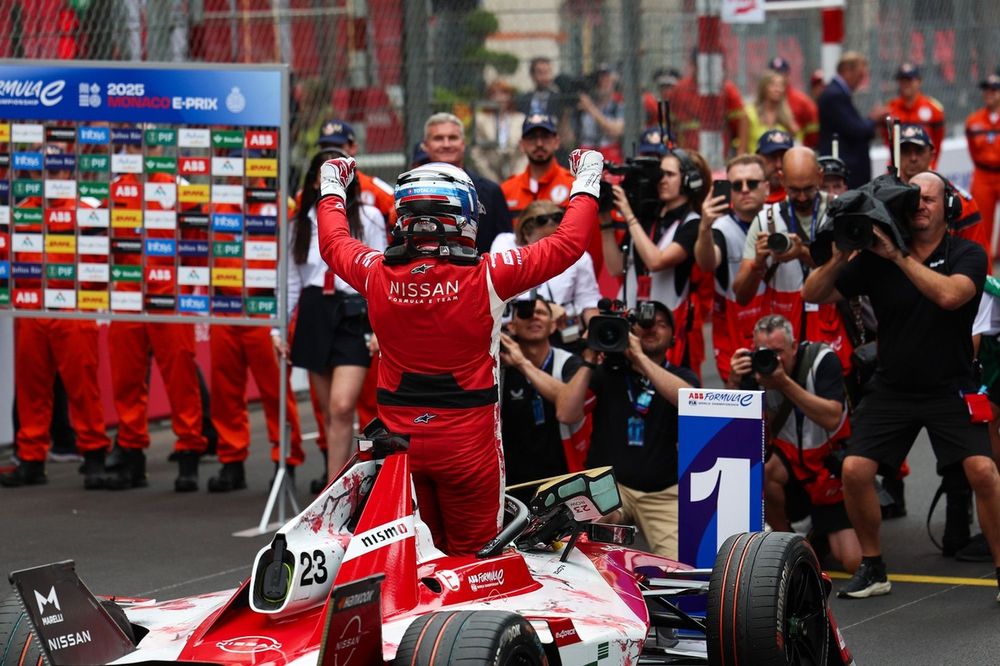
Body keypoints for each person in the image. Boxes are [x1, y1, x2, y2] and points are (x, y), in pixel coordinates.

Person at [316, 149, 603, 555]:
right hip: (469, 445)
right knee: (475, 562)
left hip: (399, 445)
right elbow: (569, 243)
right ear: (464, 215)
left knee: (413, 560)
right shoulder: (489, 274)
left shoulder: (373, 271)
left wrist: (331, 184)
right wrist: (587, 178)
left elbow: (332, 242)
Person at [802, 171, 1000, 601]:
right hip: (893, 387)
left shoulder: (968, 252)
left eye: (930, 199)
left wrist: (898, 257)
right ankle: (874, 568)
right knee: (855, 470)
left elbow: (949, 296)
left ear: (947, 207)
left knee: (983, 471)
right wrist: (842, 254)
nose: (921, 206)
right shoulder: (876, 259)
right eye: (914, 200)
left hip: (951, 385)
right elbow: (811, 292)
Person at [556, 300, 698, 559]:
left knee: (682, 568)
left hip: (662, 493)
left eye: (661, 324)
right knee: (579, 541)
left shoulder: (682, 376)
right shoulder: (606, 373)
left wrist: (639, 358)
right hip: (611, 485)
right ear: (630, 331)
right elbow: (566, 413)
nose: (651, 328)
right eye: (643, 324)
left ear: (673, 338)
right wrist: (588, 358)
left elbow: (691, 402)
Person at [281, 149, 386, 484]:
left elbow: (380, 274)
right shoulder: (299, 221)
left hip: (352, 312)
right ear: (315, 180)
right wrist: (279, 329)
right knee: (329, 413)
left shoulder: (368, 216)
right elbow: (292, 280)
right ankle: (334, 488)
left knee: (343, 406)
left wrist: (379, 325)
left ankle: (337, 488)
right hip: (314, 311)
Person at [727, 314, 861, 574]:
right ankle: (789, 546)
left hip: (828, 468)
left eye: (778, 352)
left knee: (852, 561)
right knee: (762, 471)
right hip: (791, 466)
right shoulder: (755, 370)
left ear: (794, 345)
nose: (772, 360)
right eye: (763, 352)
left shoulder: (821, 359)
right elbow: (736, 430)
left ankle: (822, 532)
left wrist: (783, 384)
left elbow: (832, 417)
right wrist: (734, 382)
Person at [602, 148, 712, 378]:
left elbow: (656, 261)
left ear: (690, 180)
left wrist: (628, 215)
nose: (661, 180)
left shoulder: (692, 224)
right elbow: (615, 267)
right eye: (659, 174)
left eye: (669, 175)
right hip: (632, 324)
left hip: (668, 331)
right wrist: (605, 222)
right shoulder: (645, 221)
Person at [498, 296, 588, 503]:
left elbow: (569, 404)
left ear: (553, 325)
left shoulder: (570, 362)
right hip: (513, 481)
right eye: (526, 314)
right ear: (511, 326)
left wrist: (522, 363)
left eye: (541, 313)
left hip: (563, 475)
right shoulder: (499, 367)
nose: (534, 317)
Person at [694, 154, 770, 383]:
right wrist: (704, 228)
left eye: (752, 183)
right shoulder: (720, 228)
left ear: (766, 187)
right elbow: (706, 262)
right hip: (735, 332)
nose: (745, 189)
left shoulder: (780, 217)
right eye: (737, 185)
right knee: (742, 411)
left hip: (778, 327)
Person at [501, 114, 602, 274]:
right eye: (532, 138)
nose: (539, 143)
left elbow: (592, 244)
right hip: (519, 278)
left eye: (545, 137)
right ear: (522, 144)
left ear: (557, 141)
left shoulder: (575, 186)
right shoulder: (507, 189)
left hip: (566, 279)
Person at [491, 201, 601, 329]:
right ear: (526, 235)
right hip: (517, 329)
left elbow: (589, 303)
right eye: (545, 241)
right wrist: (547, 308)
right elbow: (499, 288)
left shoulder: (580, 256)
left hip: (563, 332)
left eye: (557, 241)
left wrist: (596, 332)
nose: (551, 249)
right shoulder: (505, 244)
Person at [420, 112, 513, 255]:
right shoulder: (412, 191)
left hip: (480, 273)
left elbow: (506, 243)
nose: (446, 144)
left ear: (463, 144)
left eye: (453, 138)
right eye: (438, 138)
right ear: (425, 146)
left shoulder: (491, 191)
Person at [897, 124, 989, 262]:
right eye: (905, 151)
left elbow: (980, 263)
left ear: (932, 154)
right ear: (895, 155)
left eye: (919, 150)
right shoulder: (885, 199)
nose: (913, 158)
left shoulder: (962, 203)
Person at [818, 52, 888, 189]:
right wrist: (873, 119)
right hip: (846, 170)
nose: (861, 80)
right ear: (847, 71)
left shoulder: (838, 93)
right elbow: (855, 130)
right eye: (860, 75)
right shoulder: (835, 95)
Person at [669, 49, 749, 158]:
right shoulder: (680, 89)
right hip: (687, 156)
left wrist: (741, 153)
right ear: (694, 64)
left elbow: (742, 121)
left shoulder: (726, 89)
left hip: (719, 155)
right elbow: (671, 125)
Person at [317, 119, 394, 223]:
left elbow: (397, 216)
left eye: (337, 147)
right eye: (325, 147)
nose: (330, 153)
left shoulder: (373, 189)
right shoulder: (309, 191)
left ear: (353, 148)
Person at [884, 63, 945, 168]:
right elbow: (887, 139)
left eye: (909, 80)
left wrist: (931, 165)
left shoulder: (933, 109)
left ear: (919, 81)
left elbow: (937, 142)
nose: (906, 84)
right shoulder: (889, 109)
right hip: (897, 168)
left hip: (924, 167)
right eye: (902, 81)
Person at [966, 73, 1000, 256]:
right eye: (987, 90)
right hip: (983, 175)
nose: (990, 94)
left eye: (994, 90)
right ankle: (984, 269)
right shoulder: (973, 121)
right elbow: (973, 150)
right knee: (981, 224)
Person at [471, 79, 527, 183]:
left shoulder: (520, 119)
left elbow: (524, 153)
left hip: (516, 171)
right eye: (494, 94)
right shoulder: (481, 120)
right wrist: (491, 178)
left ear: (510, 97)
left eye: (504, 93)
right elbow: (477, 153)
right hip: (490, 173)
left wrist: (516, 177)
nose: (499, 98)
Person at [517, 56, 575, 145]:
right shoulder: (523, 100)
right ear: (532, 75)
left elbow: (567, 134)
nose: (544, 77)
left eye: (547, 72)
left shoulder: (560, 99)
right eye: (540, 72)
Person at [575, 65, 625, 164]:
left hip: (609, 152)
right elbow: (568, 138)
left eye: (607, 80)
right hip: (586, 152)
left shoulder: (618, 105)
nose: (603, 84)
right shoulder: (582, 107)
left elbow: (615, 131)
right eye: (600, 80)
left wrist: (590, 108)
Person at [767, 56, 819, 148]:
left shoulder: (802, 102)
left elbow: (813, 133)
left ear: (788, 75)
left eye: (781, 73)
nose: (778, 77)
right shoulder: (759, 104)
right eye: (774, 73)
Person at [744, 71, 800, 151]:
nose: (778, 89)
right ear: (763, 88)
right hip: (756, 162)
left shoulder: (785, 115)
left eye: (781, 86)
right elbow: (742, 149)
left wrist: (786, 120)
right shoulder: (749, 113)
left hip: (780, 162)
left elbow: (796, 137)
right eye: (773, 85)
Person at [756, 129, 793, 204]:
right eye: (772, 157)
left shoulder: (799, 197)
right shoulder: (743, 191)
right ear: (758, 159)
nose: (778, 165)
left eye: (784, 158)